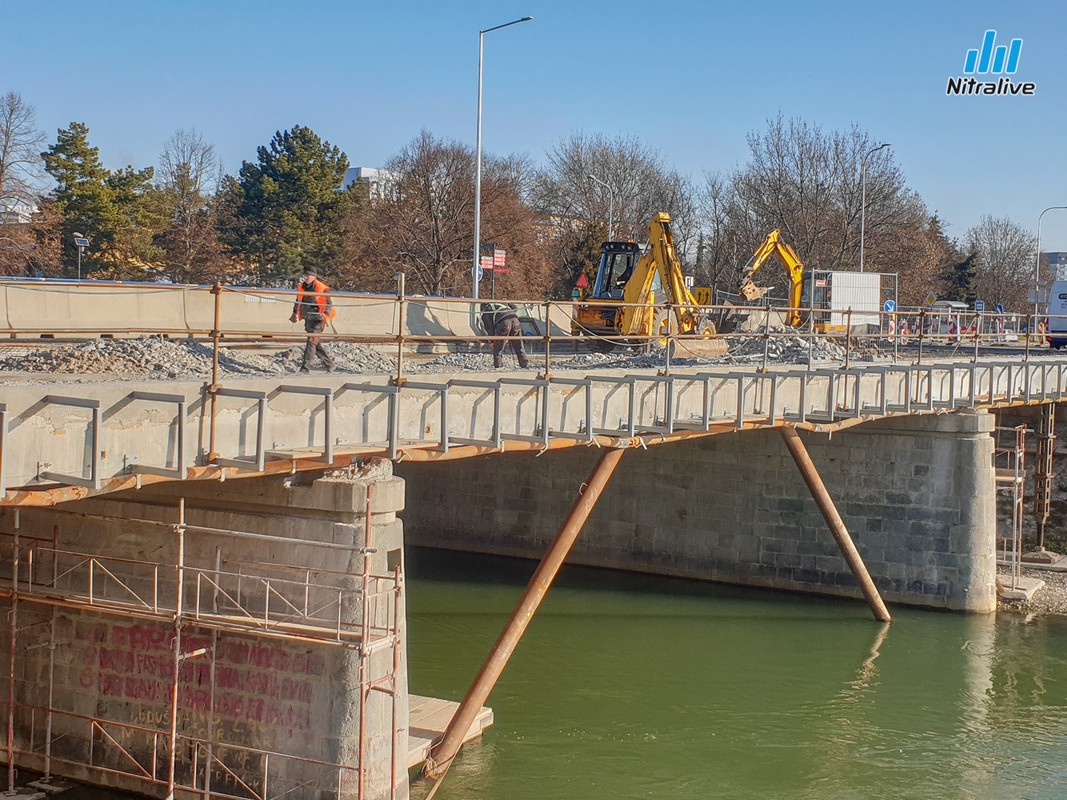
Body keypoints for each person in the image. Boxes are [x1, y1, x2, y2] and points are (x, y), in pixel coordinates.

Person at [289, 269, 336, 373]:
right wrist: (294, 313)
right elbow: (298, 300)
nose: (305, 278)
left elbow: (329, 304)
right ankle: (330, 363)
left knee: (311, 341)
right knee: (315, 342)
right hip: (308, 317)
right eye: (304, 275)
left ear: (314, 276)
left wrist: (325, 315)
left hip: (318, 319)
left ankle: (305, 368)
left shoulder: (322, 288)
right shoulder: (302, 287)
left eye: (307, 276)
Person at [480, 302, 530, 369]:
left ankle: (498, 366)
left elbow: (490, 328)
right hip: (515, 320)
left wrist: (492, 341)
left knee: (498, 347)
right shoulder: (502, 303)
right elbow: (515, 307)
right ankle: (524, 364)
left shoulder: (487, 311)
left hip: (504, 323)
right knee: (519, 345)